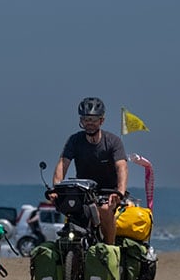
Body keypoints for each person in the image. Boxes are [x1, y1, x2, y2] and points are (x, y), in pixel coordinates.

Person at [51, 97, 128, 245]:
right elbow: (62, 164)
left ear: (101, 121)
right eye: (86, 119)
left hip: (108, 191)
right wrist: (56, 188)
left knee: (105, 210)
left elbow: (122, 167)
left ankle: (110, 250)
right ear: (81, 120)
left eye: (93, 119)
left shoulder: (113, 141)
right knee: (71, 211)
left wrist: (120, 191)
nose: (89, 123)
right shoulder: (74, 140)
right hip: (83, 191)